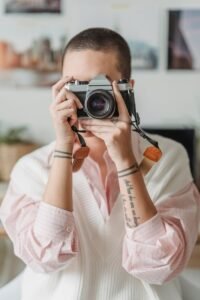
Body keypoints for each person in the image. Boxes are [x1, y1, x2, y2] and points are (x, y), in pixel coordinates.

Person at [0, 28, 200, 300]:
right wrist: (63, 149)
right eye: (77, 87)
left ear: (129, 88)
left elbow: (159, 266)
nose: (92, 101)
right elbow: (44, 259)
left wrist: (126, 162)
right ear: (60, 89)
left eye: (102, 87)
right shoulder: (31, 168)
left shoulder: (165, 156)